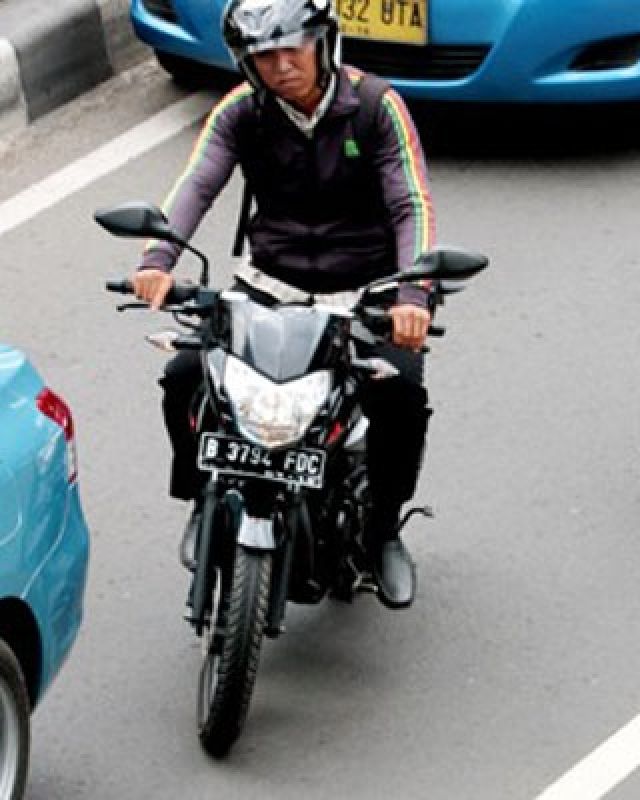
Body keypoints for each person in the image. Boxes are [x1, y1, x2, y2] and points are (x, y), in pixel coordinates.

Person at [130, 0, 436, 609]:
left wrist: (412, 296)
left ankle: (381, 533)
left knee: (398, 394)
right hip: (268, 284)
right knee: (185, 375)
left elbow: (412, 205)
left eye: (293, 48)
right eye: (265, 56)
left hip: (364, 292)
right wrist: (156, 261)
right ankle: (201, 496)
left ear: (324, 44)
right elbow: (196, 185)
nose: (282, 65)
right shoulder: (240, 113)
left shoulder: (377, 107)